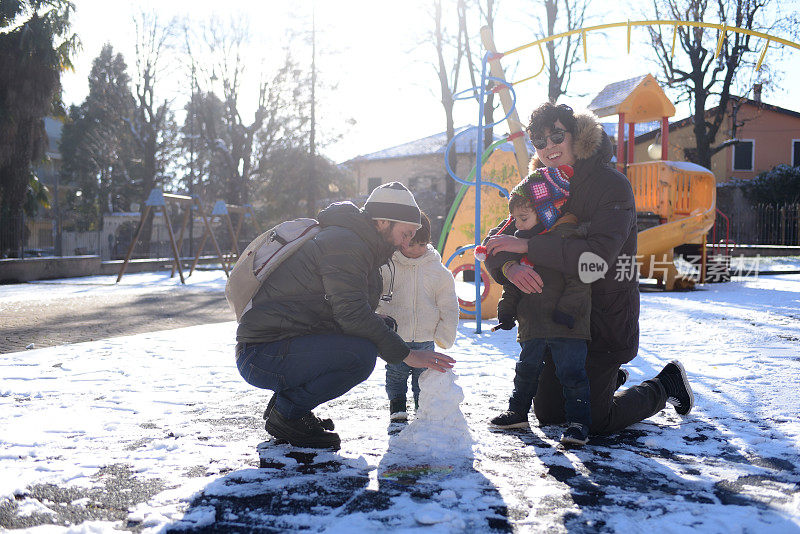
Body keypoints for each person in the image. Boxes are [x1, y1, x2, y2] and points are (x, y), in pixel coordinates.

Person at [483, 102, 693, 439]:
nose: (549, 148)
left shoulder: (612, 185)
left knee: (592, 421)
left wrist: (529, 247)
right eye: (539, 142)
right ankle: (606, 382)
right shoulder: (538, 186)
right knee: (551, 416)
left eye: (556, 136)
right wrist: (508, 267)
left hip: (601, 321)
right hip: (559, 324)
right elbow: (495, 242)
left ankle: (664, 385)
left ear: (576, 135)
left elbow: (596, 258)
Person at [235, 182, 456, 450]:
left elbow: (339, 311)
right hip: (262, 353)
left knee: (365, 343)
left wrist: (382, 327)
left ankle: (288, 408)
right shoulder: (345, 244)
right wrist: (407, 354)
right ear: (383, 221)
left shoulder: (356, 242)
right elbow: (351, 314)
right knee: (359, 356)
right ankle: (287, 413)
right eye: (405, 233)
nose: (406, 242)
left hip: (278, 345)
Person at [486, 165, 593, 446]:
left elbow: (581, 279)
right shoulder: (519, 240)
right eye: (515, 218)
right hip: (533, 322)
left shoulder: (567, 237)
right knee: (526, 369)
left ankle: (578, 422)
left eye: (523, 217)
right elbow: (514, 281)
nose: (517, 225)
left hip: (567, 324)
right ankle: (518, 411)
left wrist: (568, 310)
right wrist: (507, 311)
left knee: (572, 373)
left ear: (546, 210)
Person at [376, 212, 459, 421]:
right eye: (411, 244)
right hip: (396, 337)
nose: (416, 250)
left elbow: (449, 305)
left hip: (425, 338)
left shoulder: (437, 271)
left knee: (423, 376)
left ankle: (422, 406)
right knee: (395, 374)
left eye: (421, 245)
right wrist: (379, 319)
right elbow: (375, 294)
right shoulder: (387, 266)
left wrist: (445, 333)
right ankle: (397, 405)